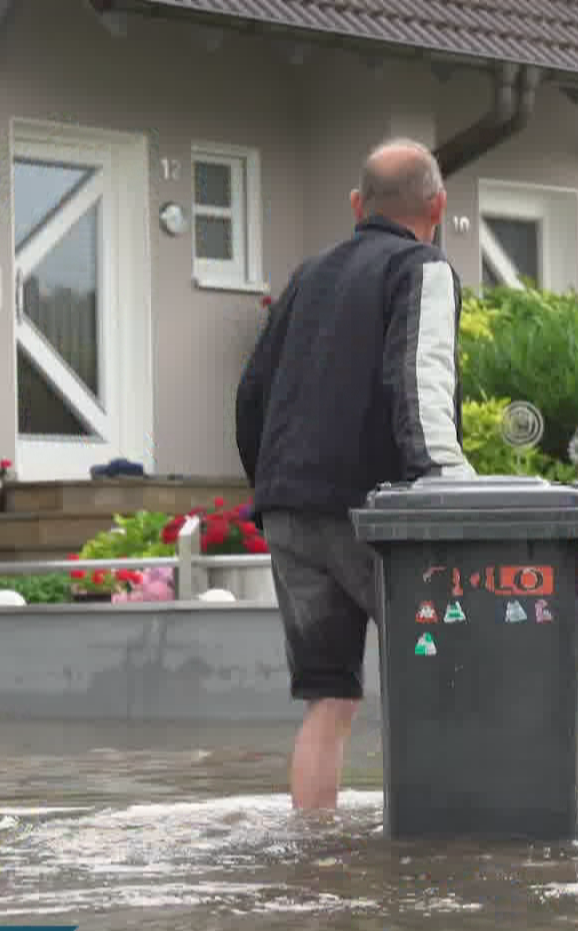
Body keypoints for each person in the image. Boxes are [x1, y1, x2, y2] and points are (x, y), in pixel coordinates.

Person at [235, 138, 476, 812]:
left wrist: (275, 489)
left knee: (330, 697)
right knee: (441, 675)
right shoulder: (421, 268)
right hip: (374, 517)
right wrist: (451, 494)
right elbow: (420, 386)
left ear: (355, 205)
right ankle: (443, 847)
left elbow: (251, 395)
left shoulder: (307, 275)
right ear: (439, 205)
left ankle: (314, 855)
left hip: (288, 509)